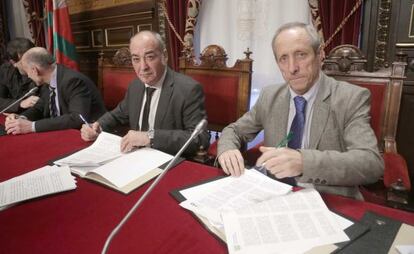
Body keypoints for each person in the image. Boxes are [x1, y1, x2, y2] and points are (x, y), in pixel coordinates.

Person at [217, 22, 384, 199]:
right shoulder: (270, 96)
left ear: (320, 55)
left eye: (301, 55)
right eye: (283, 58)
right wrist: (227, 149)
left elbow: (371, 163)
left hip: (329, 200)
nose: (292, 68)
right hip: (274, 196)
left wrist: (304, 162)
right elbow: (234, 130)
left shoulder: (350, 98)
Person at [80, 31, 209, 157]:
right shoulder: (135, 86)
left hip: (167, 160)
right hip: (134, 157)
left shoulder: (188, 89)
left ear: (164, 56)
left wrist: (149, 137)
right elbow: (118, 114)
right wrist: (97, 126)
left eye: (150, 57)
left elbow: (199, 138)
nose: (143, 67)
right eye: (136, 59)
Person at [5, 47, 106, 134]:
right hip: (63, 132)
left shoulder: (73, 81)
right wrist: (21, 118)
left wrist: (31, 126)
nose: (28, 76)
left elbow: (77, 118)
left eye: (27, 72)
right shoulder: (48, 79)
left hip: (89, 133)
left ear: (34, 70)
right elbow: (40, 107)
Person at [0, 38, 39, 113]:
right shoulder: (5, 70)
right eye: (25, 61)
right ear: (13, 63)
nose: (31, 63)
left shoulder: (40, 69)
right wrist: (20, 103)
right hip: (12, 116)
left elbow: (41, 105)